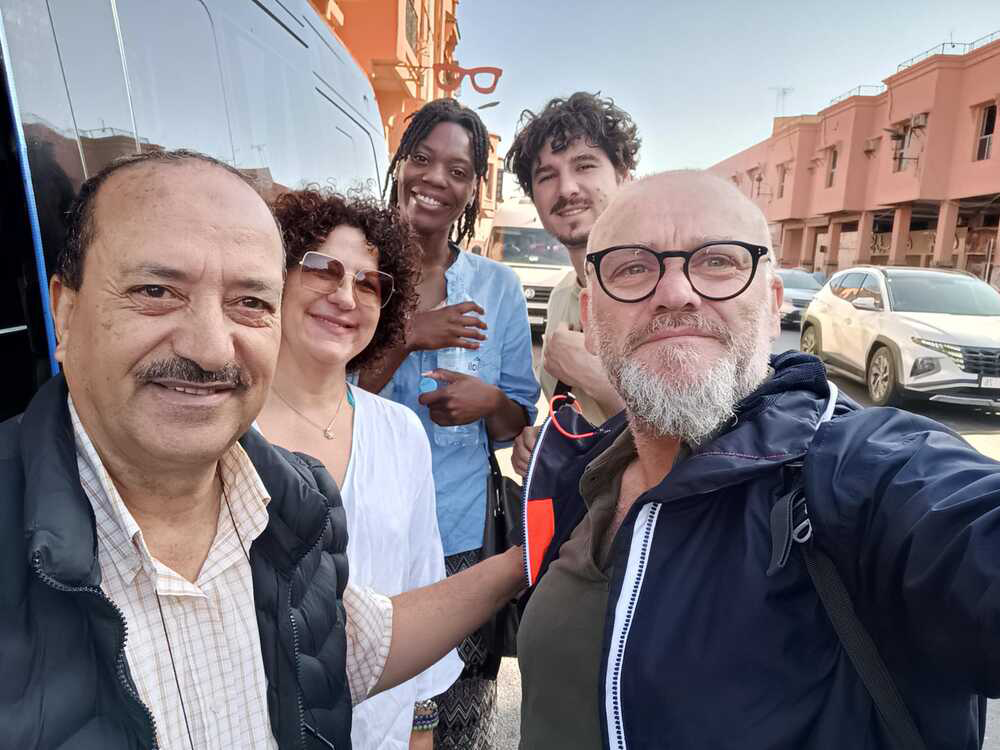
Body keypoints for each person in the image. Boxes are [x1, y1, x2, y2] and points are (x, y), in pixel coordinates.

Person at [0, 149, 524, 750]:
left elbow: (354, 642)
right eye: (156, 290)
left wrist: (532, 554)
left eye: (248, 302)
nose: (209, 348)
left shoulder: (294, 504)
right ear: (64, 313)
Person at [515, 170, 1000, 749]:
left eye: (718, 261)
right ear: (591, 318)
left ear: (773, 307)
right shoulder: (585, 469)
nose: (675, 292)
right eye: (633, 268)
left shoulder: (856, 469)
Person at [358, 98, 539, 750]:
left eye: (458, 170)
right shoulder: (360, 273)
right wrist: (409, 334)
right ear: (400, 164)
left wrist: (489, 403)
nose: (436, 179)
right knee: (368, 698)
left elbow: (517, 421)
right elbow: (324, 395)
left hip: (459, 532)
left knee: (456, 711)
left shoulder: (497, 287)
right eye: (422, 158)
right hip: (361, 526)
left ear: (472, 189)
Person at [256, 187, 462, 749]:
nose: (345, 296)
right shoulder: (227, 428)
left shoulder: (400, 432)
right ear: (276, 279)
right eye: (322, 269)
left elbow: (422, 583)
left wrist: (421, 728)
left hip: (382, 734)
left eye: (368, 283)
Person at [503, 92, 639, 476]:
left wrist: (597, 380)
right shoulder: (563, 295)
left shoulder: (671, 289)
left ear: (623, 177)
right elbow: (587, 425)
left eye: (584, 165)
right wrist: (543, 440)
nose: (566, 189)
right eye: (547, 176)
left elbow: (704, 446)